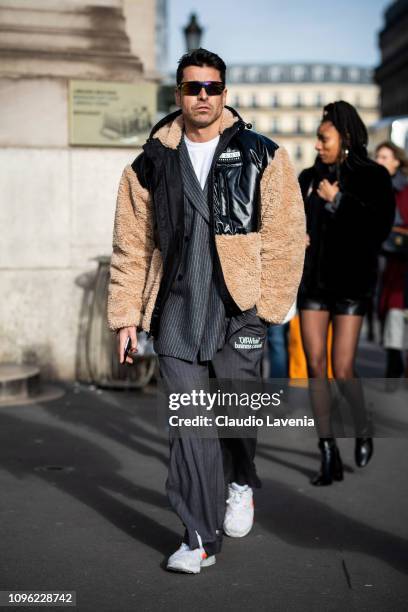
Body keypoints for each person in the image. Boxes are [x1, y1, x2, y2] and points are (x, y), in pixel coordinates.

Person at [107, 49, 305, 573]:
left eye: (211, 87)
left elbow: (287, 237)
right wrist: (127, 315)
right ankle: (198, 536)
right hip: (174, 310)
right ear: (177, 93)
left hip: (238, 310)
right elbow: (130, 244)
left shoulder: (263, 154)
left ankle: (240, 479)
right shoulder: (149, 162)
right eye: (192, 87)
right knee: (190, 425)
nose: (202, 96)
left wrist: (270, 307)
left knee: (235, 418)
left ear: (225, 93)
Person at [298, 101, 395, 486]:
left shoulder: (372, 177)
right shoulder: (307, 178)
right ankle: (327, 451)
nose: (318, 145)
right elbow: (289, 224)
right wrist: (296, 238)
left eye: (325, 138)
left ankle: (362, 423)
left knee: (341, 368)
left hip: (352, 284)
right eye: (318, 139)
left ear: (346, 137)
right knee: (316, 368)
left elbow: (379, 227)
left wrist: (338, 201)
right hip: (314, 284)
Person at [376, 142, 408, 381]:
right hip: (380, 259)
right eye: (377, 156)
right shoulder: (373, 187)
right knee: (388, 311)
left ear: (397, 160)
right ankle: (393, 360)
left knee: (397, 309)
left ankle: (395, 364)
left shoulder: (404, 189)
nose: (379, 161)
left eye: (385, 157)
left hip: (400, 259)